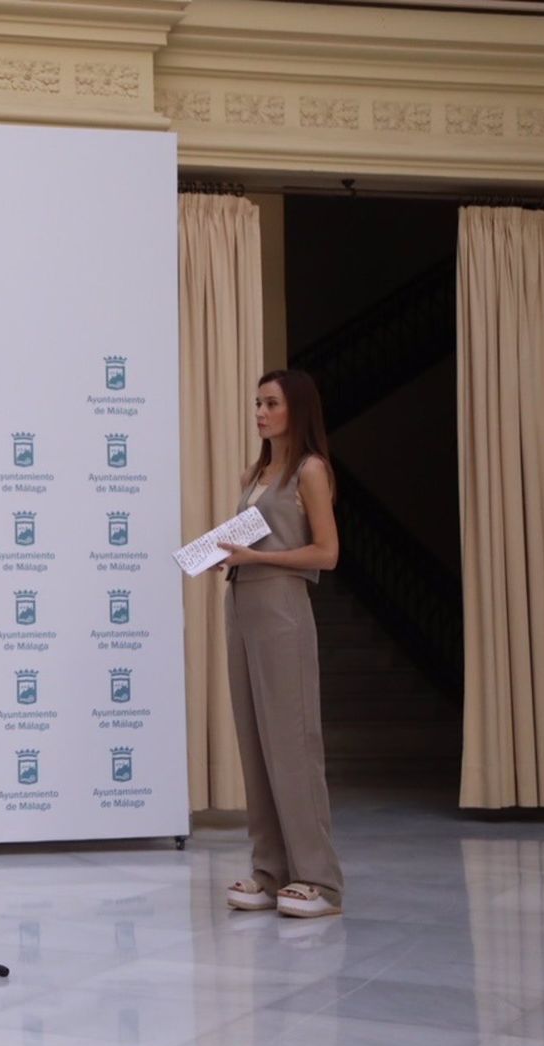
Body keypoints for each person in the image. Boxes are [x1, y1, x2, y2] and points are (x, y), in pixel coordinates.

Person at [216, 368, 344, 919]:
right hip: (242, 603)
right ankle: (270, 870)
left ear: (297, 409)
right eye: (257, 404)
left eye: (271, 404)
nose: (261, 413)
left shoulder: (310, 471)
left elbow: (327, 553)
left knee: (292, 742)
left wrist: (258, 558)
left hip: (283, 605)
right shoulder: (257, 473)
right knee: (254, 739)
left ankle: (319, 879)